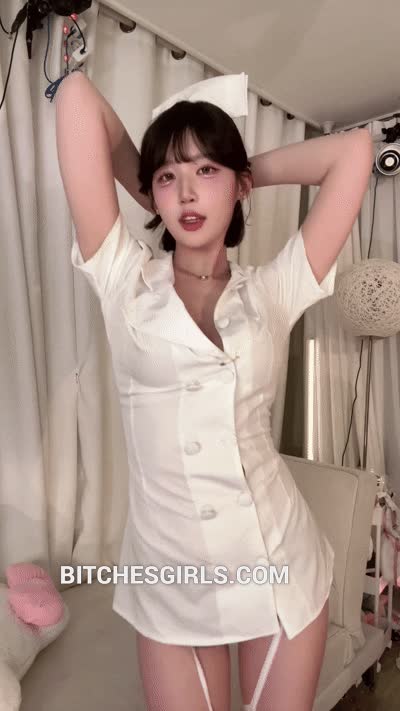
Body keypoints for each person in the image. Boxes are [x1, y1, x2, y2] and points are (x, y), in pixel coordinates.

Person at [56, 71, 374, 711]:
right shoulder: (123, 279)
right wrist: (159, 176)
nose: (186, 192)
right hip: (171, 577)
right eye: (168, 177)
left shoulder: (272, 291)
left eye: (205, 171)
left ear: (238, 186)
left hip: (279, 562)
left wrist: (243, 167)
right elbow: (74, 98)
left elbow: (355, 150)